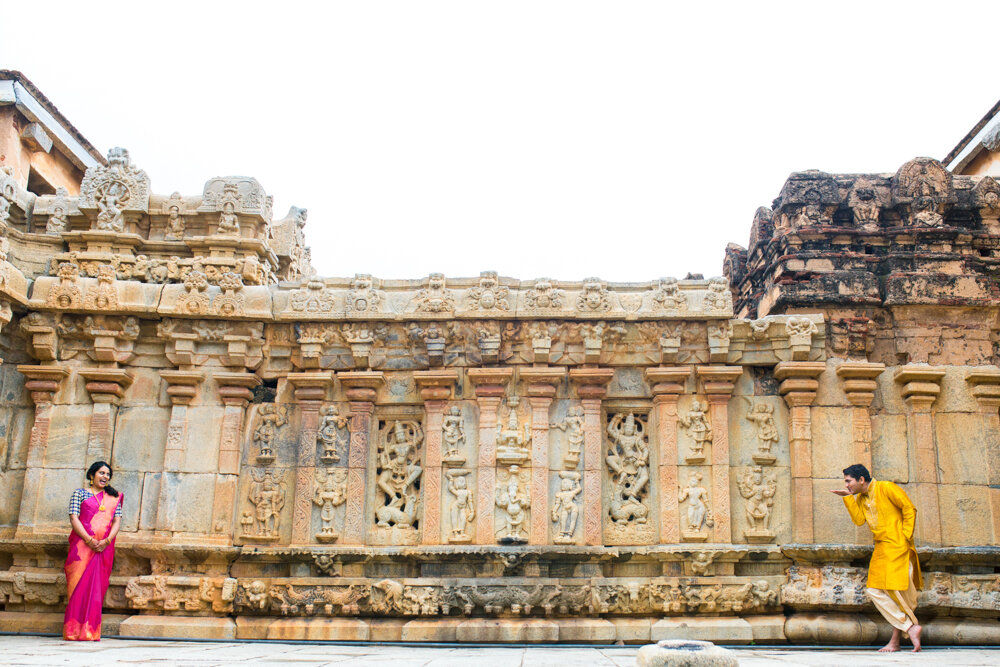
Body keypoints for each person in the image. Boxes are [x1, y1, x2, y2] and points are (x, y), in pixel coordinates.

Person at [831, 464, 922, 652]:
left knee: (896, 592)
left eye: (848, 481)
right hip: (881, 547)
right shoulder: (862, 498)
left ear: (861, 480)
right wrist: (848, 498)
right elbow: (859, 520)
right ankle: (909, 627)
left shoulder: (886, 487)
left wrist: (905, 536)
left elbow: (908, 508)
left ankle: (900, 637)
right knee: (875, 590)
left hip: (897, 545)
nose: (846, 484)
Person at [64, 461, 123, 641]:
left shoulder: (113, 498)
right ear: (92, 475)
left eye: (108, 474)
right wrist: (89, 540)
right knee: (77, 588)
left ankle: (91, 631)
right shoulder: (79, 494)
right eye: (101, 473)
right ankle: (73, 632)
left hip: (103, 549)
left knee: (96, 589)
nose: (105, 476)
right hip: (81, 548)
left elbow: (117, 521)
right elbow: (74, 518)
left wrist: (106, 541)